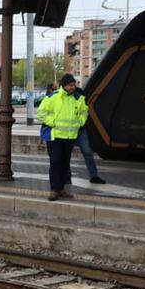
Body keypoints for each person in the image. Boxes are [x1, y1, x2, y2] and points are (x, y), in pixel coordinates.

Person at [37, 74, 88, 202]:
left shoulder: (79, 98)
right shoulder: (53, 97)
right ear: (64, 85)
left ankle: (61, 189)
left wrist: (80, 122)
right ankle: (54, 190)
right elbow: (41, 112)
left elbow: (84, 112)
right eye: (71, 85)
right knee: (55, 163)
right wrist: (52, 122)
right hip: (56, 136)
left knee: (65, 164)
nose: (73, 87)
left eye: (74, 84)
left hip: (70, 136)